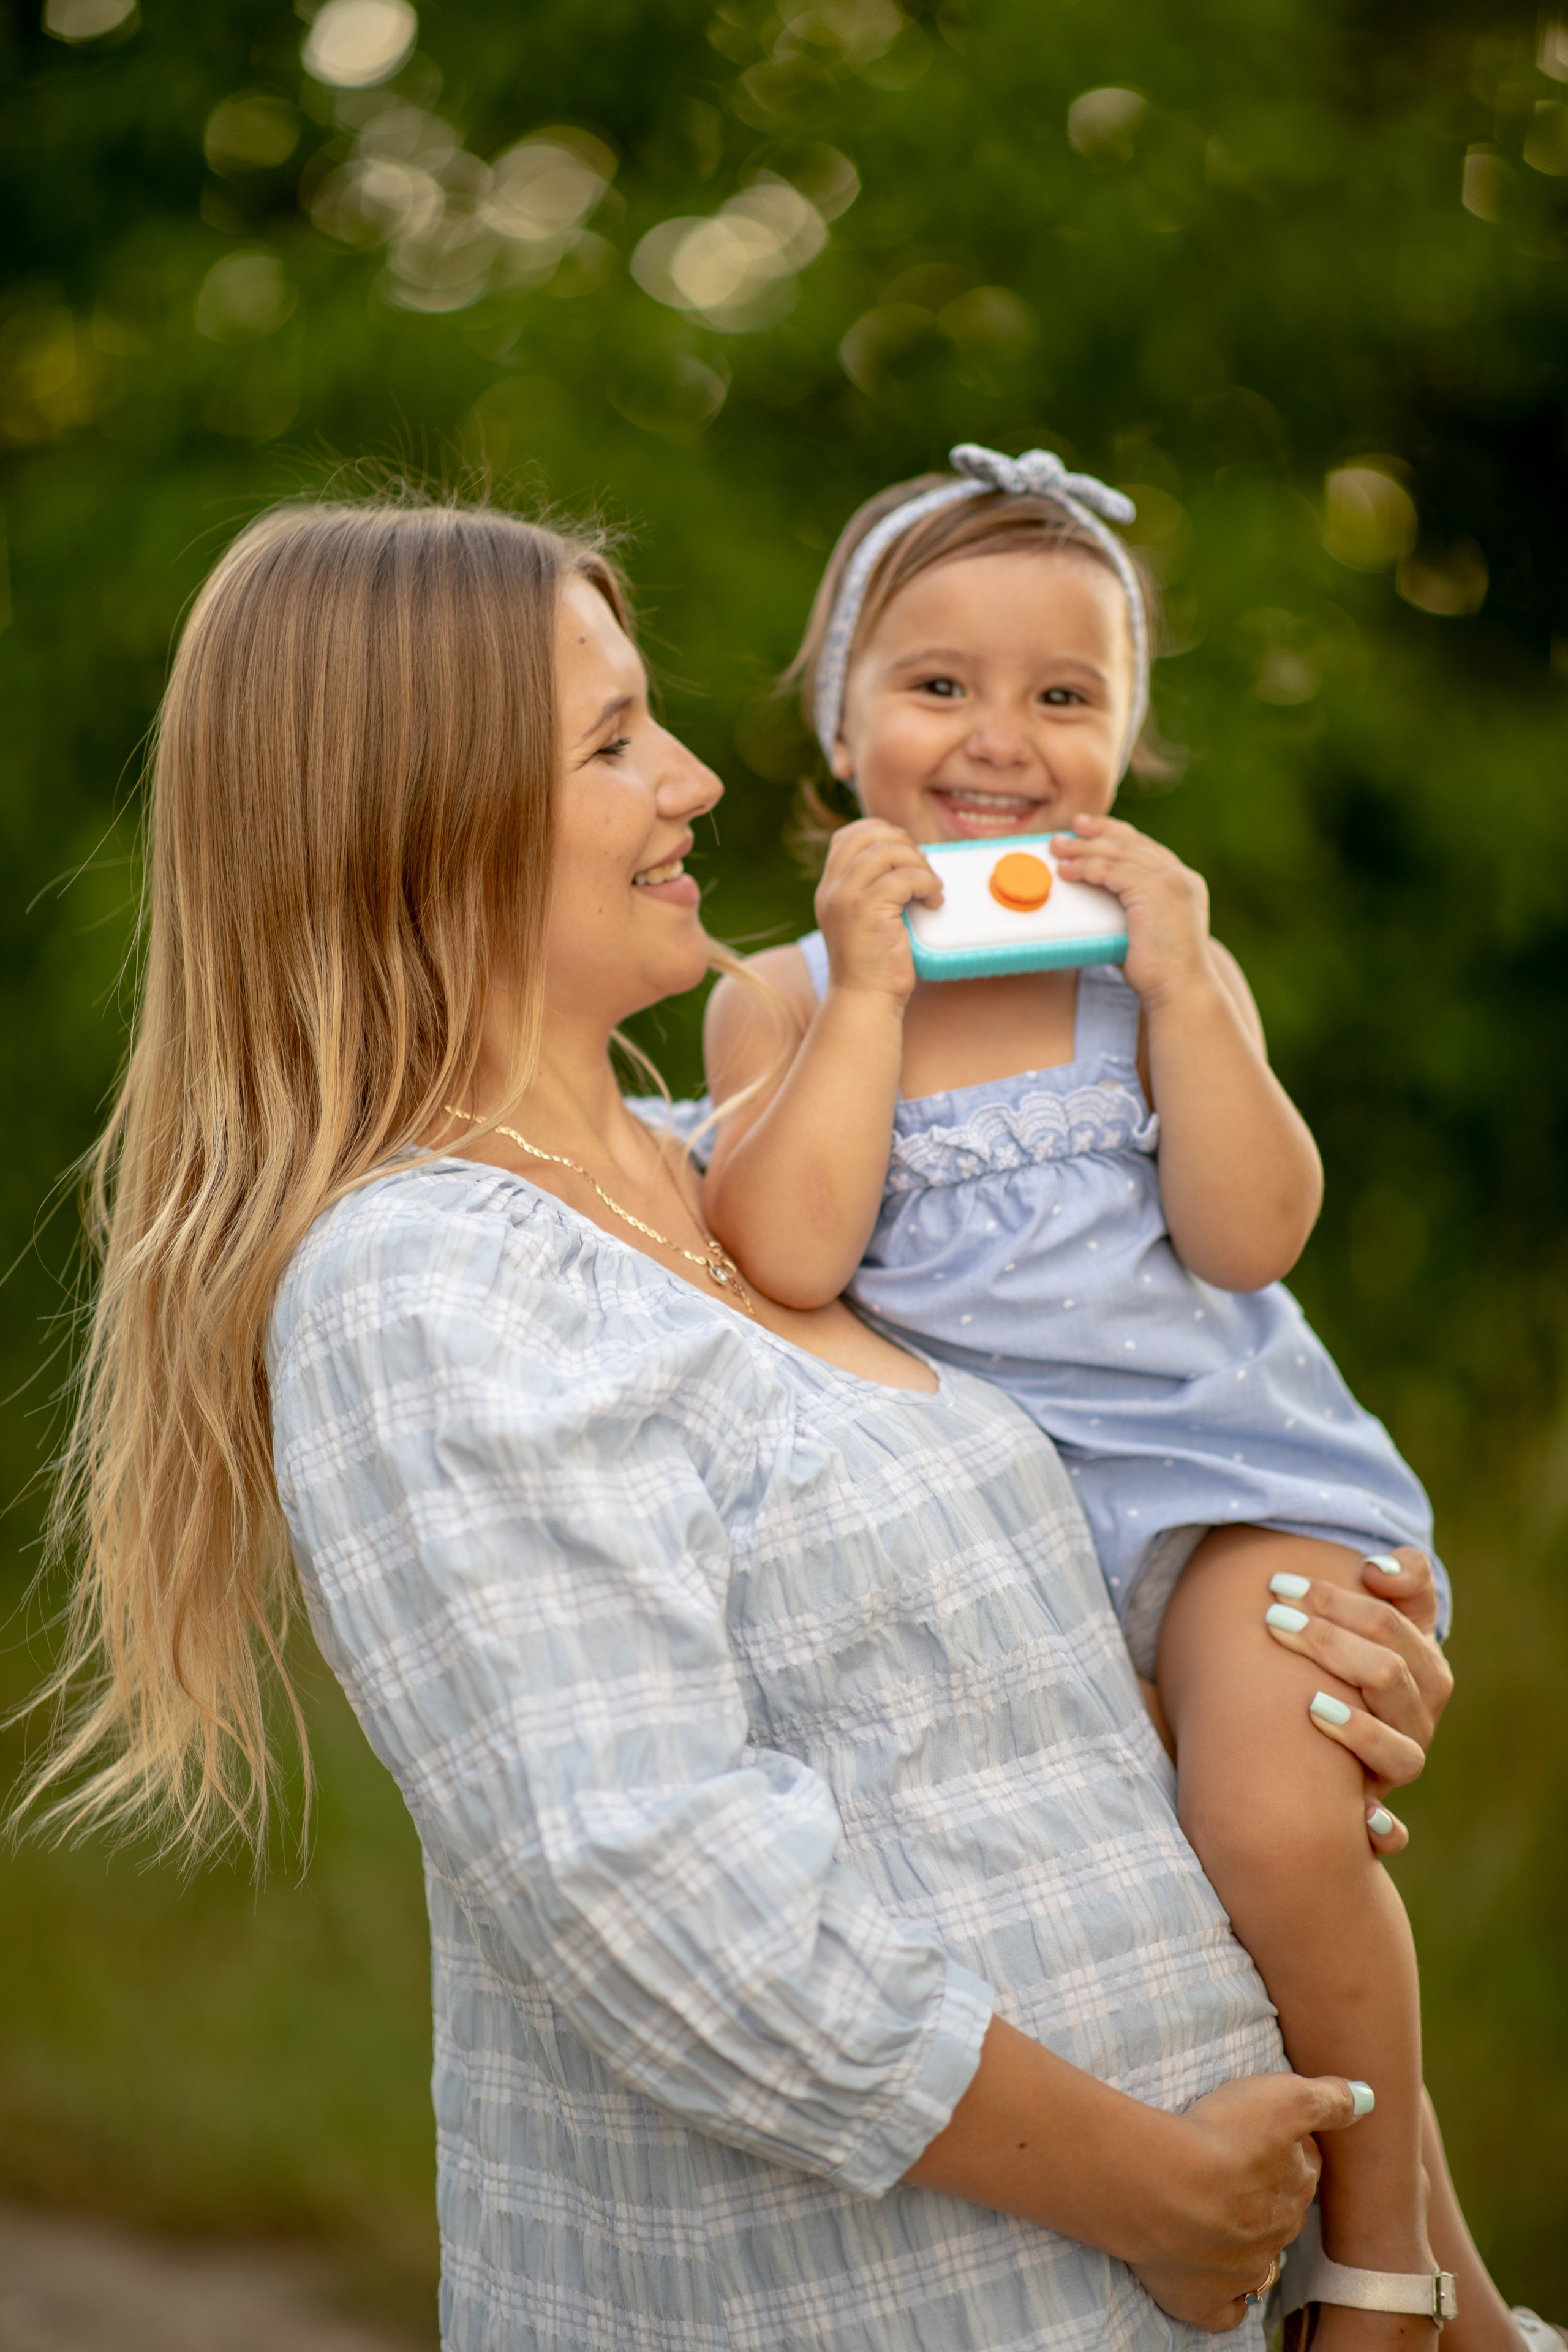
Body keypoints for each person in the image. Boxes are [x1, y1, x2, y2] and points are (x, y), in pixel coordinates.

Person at [24, 494, 1460, 2352]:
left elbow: (988, 1662)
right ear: (419, 813)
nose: (697, 779)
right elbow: (647, 1878)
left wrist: (1280, 1702)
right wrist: (1151, 2189)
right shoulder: (431, 1281)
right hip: (900, 2304)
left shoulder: (761, 1194)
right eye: (615, 740)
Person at [701, 447, 1535, 2349]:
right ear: (837, 722)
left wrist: (1179, 992)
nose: (1002, 737)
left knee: (1270, 1825)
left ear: (1128, 742)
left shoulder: (1155, 976)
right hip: (1022, 1553)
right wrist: (867, 995)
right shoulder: (778, 998)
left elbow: (1249, 1239)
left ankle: (1387, 2266)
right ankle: (1467, 2296)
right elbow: (794, 1253)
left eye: (1064, 696)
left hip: (1237, 1493)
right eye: (938, 685)